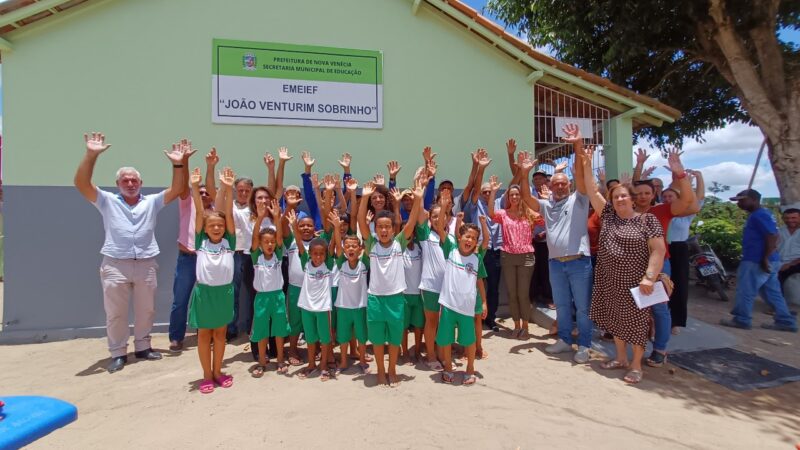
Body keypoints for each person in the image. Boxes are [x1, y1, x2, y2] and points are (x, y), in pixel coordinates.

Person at [74, 132, 190, 373]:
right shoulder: (106, 200)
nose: (130, 184)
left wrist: (178, 163)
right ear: (118, 184)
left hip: (146, 263)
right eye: (125, 180)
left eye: (134, 180)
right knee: (115, 313)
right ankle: (118, 353)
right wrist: (91, 155)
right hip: (116, 264)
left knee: (146, 310)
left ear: (141, 183)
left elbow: (178, 188)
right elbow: (82, 184)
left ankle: (142, 347)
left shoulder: (152, 202)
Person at [579, 147, 666, 384]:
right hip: (609, 279)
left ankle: (636, 365)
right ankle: (620, 358)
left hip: (637, 282)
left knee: (637, 324)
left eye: (623, 196)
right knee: (615, 320)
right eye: (615, 196)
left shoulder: (647, 220)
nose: (619, 199)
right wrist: (585, 163)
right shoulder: (607, 215)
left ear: (632, 198)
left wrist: (649, 277)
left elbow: (658, 250)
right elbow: (590, 189)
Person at [519, 123, 594, 364]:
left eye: (563, 183)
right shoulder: (546, 205)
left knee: (582, 308)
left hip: (579, 263)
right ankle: (564, 340)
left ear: (569, 185)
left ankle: (584, 344)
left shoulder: (579, 200)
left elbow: (583, 178)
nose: (560, 186)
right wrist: (523, 173)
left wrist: (577, 145)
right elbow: (527, 198)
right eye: (556, 184)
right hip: (556, 264)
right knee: (561, 305)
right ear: (549, 187)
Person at [632, 148, 699, 368]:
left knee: (659, 308)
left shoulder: (662, 211)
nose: (641, 196)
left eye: (646, 193)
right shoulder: (626, 213)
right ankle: (637, 348)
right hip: (633, 266)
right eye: (638, 193)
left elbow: (689, 201)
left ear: (653, 195)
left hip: (659, 266)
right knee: (636, 309)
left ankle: (660, 349)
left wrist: (680, 176)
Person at [358, 178, 424, 387]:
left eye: (388, 227)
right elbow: (360, 222)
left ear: (393, 230)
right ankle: (380, 372)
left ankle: (393, 370)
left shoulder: (399, 244)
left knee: (395, 338)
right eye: (380, 227)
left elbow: (411, 223)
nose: (384, 230)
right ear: (375, 229)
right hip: (376, 298)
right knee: (378, 340)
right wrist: (365, 198)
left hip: (396, 298)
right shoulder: (371, 245)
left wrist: (418, 200)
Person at [720, 190, 798, 332]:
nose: (739, 203)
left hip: (756, 260)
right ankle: (786, 321)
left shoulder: (759, 215)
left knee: (745, 291)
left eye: (742, 200)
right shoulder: (763, 214)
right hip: (768, 260)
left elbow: (772, 235)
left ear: (754, 200)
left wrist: (765, 258)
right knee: (772, 293)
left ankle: (742, 319)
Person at [189, 166, 237, 394]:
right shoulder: (201, 242)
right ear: (205, 230)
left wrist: (227, 189)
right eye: (212, 226)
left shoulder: (229, 242)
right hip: (205, 294)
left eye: (220, 225)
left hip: (224, 293)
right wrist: (194, 188)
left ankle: (218, 371)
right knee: (204, 335)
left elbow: (228, 215)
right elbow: (199, 214)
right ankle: (206, 375)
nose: (217, 228)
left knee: (220, 335)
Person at [168, 147, 217, 352]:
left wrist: (210, 167)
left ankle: (206, 334)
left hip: (208, 260)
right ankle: (176, 337)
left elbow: (214, 189)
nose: (204, 194)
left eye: (207, 192)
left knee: (207, 299)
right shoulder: (187, 204)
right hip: (187, 258)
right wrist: (184, 161)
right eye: (201, 191)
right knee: (181, 299)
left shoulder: (216, 212)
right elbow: (184, 187)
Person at [432, 214, 487, 386]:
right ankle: (448, 367)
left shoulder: (477, 258)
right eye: (467, 236)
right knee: (446, 339)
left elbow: (479, 281)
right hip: (448, 305)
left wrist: (484, 302)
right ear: (459, 237)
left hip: (467, 308)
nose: (470, 240)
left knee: (469, 341)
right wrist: (444, 202)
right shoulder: (451, 250)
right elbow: (441, 228)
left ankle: (469, 369)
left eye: (474, 238)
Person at [288, 210, 340, 381]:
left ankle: (323, 366)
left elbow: (333, 245)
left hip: (323, 308)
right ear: (309, 254)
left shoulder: (328, 264)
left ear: (326, 255)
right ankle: (311, 364)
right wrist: (295, 227)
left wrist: (336, 228)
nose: (318, 257)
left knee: (325, 339)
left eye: (321, 254)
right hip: (307, 307)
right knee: (310, 338)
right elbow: (299, 243)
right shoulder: (306, 262)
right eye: (315, 253)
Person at [487, 173, 536, 340]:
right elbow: (491, 214)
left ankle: (525, 326)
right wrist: (493, 192)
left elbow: (546, 219)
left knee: (523, 293)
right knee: (512, 293)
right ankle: (516, 325)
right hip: (508, 256)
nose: (514, 197)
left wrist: (545, 199)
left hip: (526, 257)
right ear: (508, 197)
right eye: (511, 194)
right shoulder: (503, 214)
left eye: (517, 194)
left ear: (521, 196)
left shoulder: (529, 213)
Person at [249, 199, 288, 377]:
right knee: (262, 330)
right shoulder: (257, 256)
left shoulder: (278, 256)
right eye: (266, 242)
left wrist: (277, 217)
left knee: (279, 330)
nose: (270, 245)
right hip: (262, 298)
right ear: (261, 243)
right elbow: (255, 237)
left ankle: (280, 359)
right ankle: (262, 361)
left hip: (278, 297)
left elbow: (279, 237)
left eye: (272, 242)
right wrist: (260, 217)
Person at [663, 169, 705, 334]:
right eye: (664, 197)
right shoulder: (660, 211)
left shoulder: (685, 214)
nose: (667, 199)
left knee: (679, 285)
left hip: (679, 249)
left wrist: (699, 177)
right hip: (662, 248)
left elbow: (699, 198)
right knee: (662, 286)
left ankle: (675, 322)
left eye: (670, 197)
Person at [333, 229, 371, 374]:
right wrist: (337, 226)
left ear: (360, 249)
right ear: (344, 249)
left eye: (354, 246)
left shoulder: (364, 264)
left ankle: (361, 360)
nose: (350, 248)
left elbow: (368, 245)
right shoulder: (341, 263)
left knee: (361, 336)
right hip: (343, 307)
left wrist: (366, 225)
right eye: (347, 246)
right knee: (343, 337)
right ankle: (343, 362)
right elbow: (337, 244)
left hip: (360, 306)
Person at [778, 208, 800, 290]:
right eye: (787, 218)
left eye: (793, 218)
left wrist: (790, 264)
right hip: (780, 262)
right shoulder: (779, 231)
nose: (790, 220)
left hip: (796, 263)